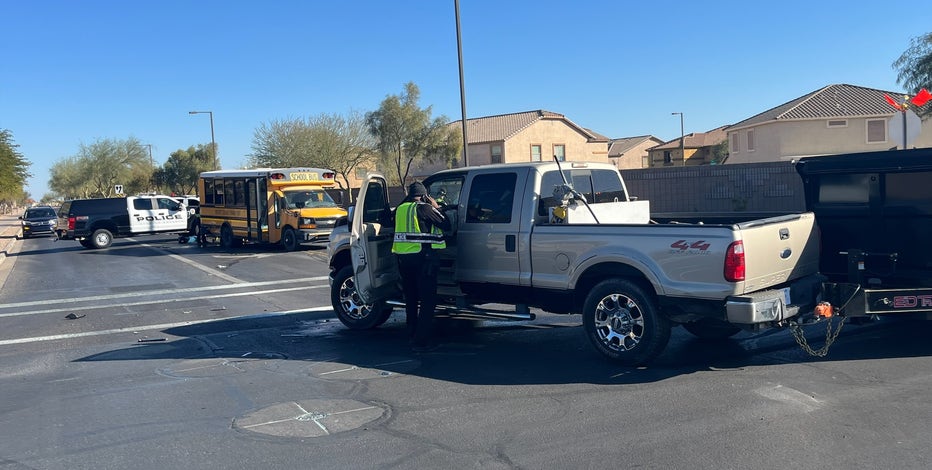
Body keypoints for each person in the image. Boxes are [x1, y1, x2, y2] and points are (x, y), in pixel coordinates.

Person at [392, 181, 452, 352]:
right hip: (423, 259)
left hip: (404, 260)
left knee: (411, 298)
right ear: (425, 196)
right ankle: (422, 340)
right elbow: (446, 224)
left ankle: (411, 333)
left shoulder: (400, 209)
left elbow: (388, 222)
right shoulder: (425, 208)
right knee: (427, 301)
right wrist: (437, 207)